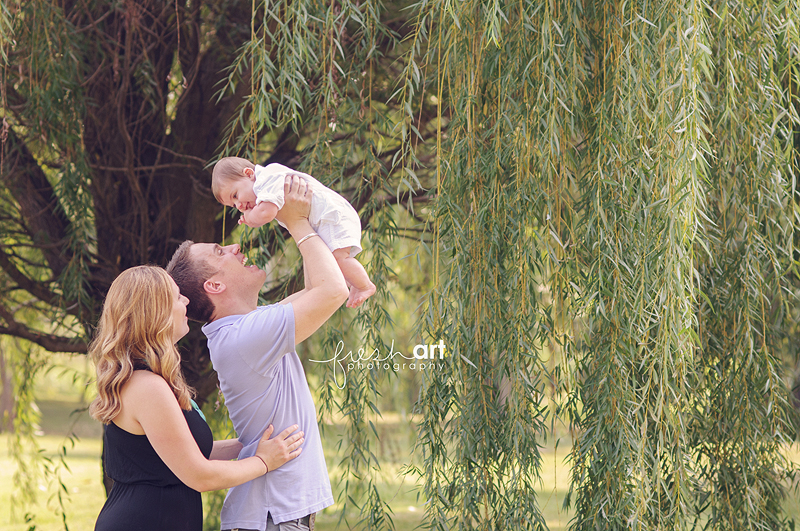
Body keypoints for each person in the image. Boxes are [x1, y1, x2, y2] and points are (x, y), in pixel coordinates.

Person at [167, 175, 349, 531]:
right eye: (220, 252)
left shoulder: (246, 330)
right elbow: (333, 291)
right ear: (214, 286)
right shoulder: (244, 338)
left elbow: (317, 287)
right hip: (274, 517)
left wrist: (292, 216)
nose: (234, 248)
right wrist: (296, 221)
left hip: (275, 516)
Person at [90, 265, 306, 531]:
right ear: (155, 312)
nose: (186, 301)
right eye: (177, 296)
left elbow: (181, 452)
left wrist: (247, 444)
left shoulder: (146, 380)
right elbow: (199, 475)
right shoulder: (147, 387)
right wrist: (263, 462)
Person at [211, 156, 376, 308]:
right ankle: (355, 282)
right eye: (233, 205)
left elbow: (265, 213)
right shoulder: (265, 188)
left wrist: (250, 217)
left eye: (235, 195)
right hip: (325, 220)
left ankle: (365, 285)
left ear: (249, 174)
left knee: (336, 259)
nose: (239, 205)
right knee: (326, 264)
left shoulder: (268, 178)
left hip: (332, 217)